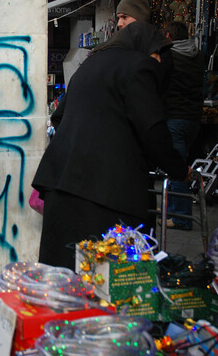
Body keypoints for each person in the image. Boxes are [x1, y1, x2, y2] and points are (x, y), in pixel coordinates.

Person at [32, 21, 190, 270]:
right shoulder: (139, 66)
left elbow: (59, 117)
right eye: (159, 54)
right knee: (109, 279)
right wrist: (180, 170)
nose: (159, 61)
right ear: (148, 48)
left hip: (61, 184)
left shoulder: (92, 63)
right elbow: (153, 130)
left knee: (63, 275)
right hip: (105, 192)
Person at [164, 21, 205, 231]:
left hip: (175, 117)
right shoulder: (198, 56)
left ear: (169, 36)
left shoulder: (170, 57)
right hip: (193, 119)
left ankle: (180, 218)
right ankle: (173, 212)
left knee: (177, 169)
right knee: (180, 164)